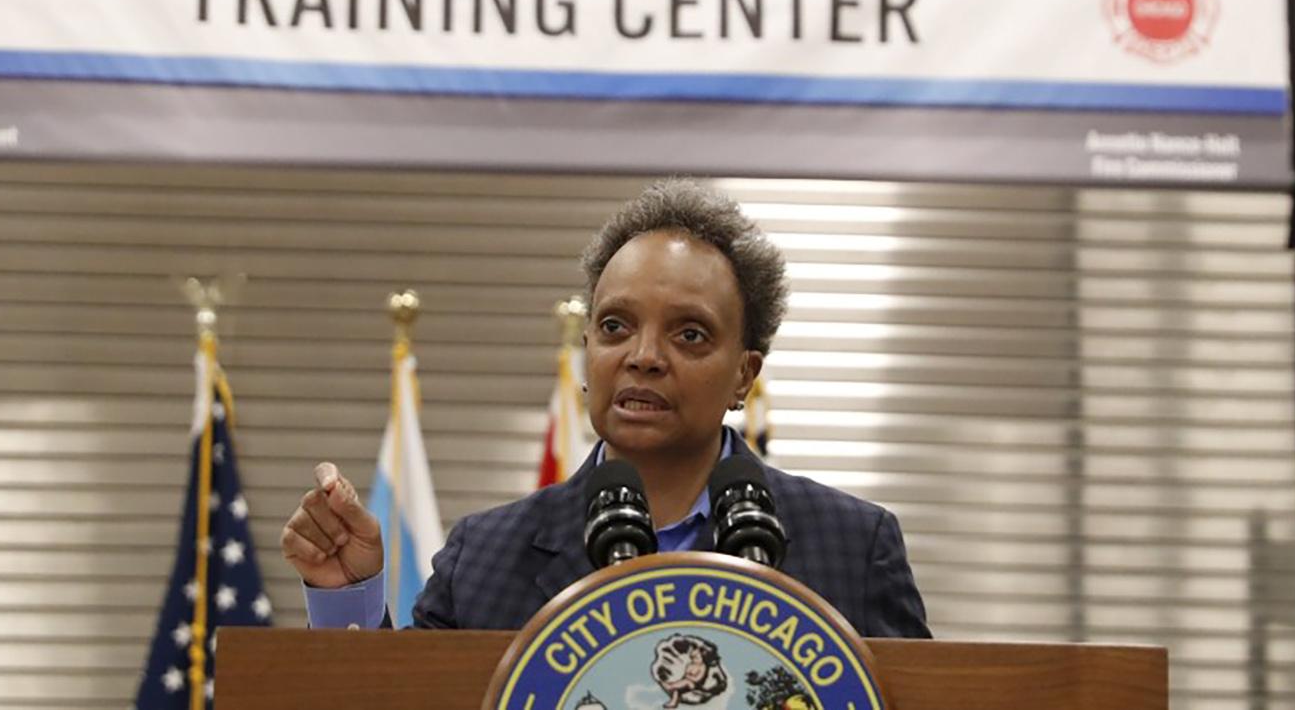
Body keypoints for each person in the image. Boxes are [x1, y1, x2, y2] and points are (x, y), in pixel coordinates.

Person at [281, 178, 930, 637]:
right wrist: (349, 596)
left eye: (690, 334)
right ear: (587, 349)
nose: (644, 357)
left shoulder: (854, 548)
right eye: (616, 327)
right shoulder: (486, 555)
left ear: (744, 375)